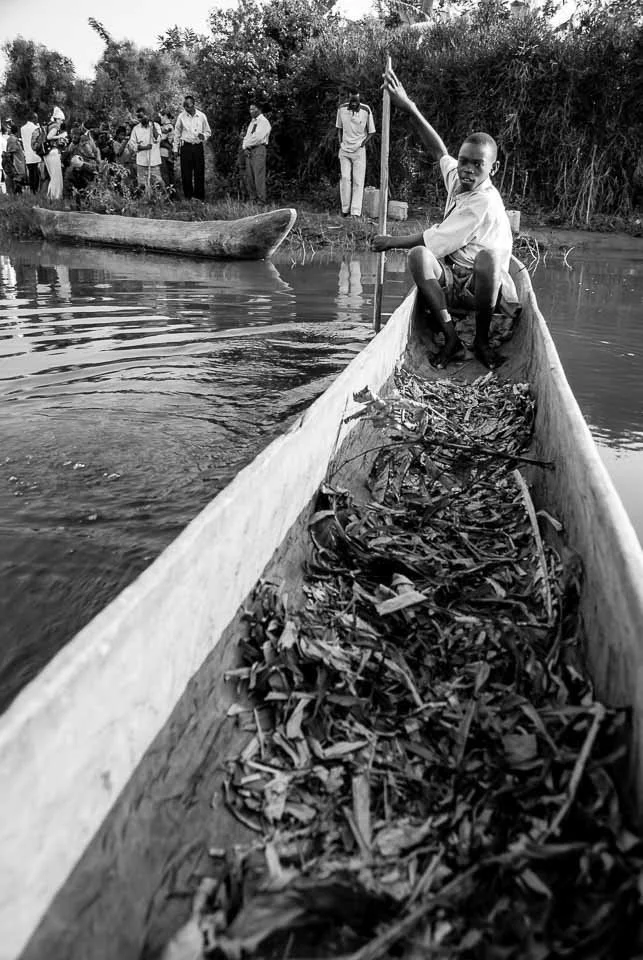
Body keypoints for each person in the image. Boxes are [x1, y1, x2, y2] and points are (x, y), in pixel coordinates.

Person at [372, 66, 520, 369]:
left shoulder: (483, 203)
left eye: (477, 165)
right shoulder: (459, 179)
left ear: (493, 168)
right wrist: (408, 106)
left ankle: (480, 340)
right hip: (453, 278)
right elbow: (437, 148)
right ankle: (450, 337)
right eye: (464, 162)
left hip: (482, 290)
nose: (466, 169)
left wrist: (389, 242)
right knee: (418, 257)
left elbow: (435, 238)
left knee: (488, 259)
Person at [336, 86, 376, 218]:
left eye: (356, 101)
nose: (354, 103)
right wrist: (341, 143)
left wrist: (362, 144)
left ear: (359, 99)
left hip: (359, 150)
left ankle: (355, 212)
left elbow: (371, 132)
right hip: (345, 150)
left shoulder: (366, 109)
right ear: (349, 98)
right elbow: (339, 128)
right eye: (352, 100)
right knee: (346, 178)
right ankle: (345, 210)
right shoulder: (342, 109)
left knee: (358, 181)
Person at [173, 95, 211, 201]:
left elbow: (208, 132)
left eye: (188, 106)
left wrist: (203, 136)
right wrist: (175, 150)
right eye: (184, 106)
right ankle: (188, 197)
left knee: (199, 172)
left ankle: (199, 197)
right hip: (186, 147)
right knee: (186, 173)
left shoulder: (202, 116)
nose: (186, 108)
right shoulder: (181, 117)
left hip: (198, 147)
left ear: (193, 104)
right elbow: (177, 134)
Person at [241, 102, 271, 205]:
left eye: (253, 109)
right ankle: (252, 199)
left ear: (259, 109)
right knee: (250, 176)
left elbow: (258, 138)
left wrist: (247, 143)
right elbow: (246, 137)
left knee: (258, 176)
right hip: (249, 150)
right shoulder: (252, 122)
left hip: (259, 149)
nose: (251, 111)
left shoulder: (263, 122)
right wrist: (245, 147)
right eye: (250, 109)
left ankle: (261, 200)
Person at [128, 107, 163, 191]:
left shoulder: (156, 126)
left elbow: (157, 139)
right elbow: (132, 145)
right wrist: (143, 147)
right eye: (138, 117)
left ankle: (158, 201)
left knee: (157, 185)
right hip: (141, 162)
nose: (139, 119)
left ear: (147, 115)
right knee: (142, 186)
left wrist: (153, 124)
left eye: (141, 116)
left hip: (154, 162)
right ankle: (145, 201)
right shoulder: (136, 129)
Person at [44, 108, 67, 200]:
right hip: (53, 153)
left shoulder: (49, 125)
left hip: (47, 153)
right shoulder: (55, 126)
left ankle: (50, 197)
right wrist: (61, 136)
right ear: (57, 119)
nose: (61, 122)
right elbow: (49, 137)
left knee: (53, 176)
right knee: (56, 176)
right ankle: (56, 197)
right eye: (61, 120)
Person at [1, 123, 27, 194]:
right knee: (17, 179)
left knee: (18, 179)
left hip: (18, 162)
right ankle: (15, 193)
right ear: (16, 131)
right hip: (16, 163)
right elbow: (11, 152)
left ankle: (17, 193)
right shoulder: (12, 139)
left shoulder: (13, 139)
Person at [20, 112, 41, 193]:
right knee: (36, 173)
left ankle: (32, 190)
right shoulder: (36, 128)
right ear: (34, 118)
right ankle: (36, 190)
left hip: (28, 155)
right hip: (36, 154)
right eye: (36, 118)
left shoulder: (22, 128)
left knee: (31, 174)